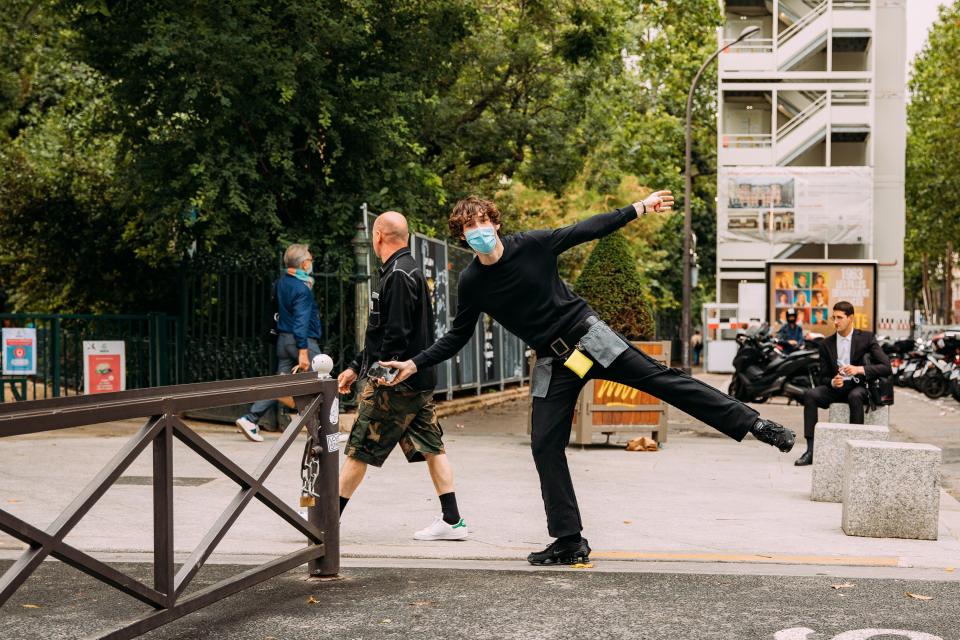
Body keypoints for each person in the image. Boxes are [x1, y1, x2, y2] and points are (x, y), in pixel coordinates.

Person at [379, 193, 795, 566]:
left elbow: (585, 229)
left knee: (662, 380)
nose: (478, 231)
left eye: (482, 221)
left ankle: (755, 423)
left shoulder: (534, 245)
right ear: (462, 234)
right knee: (544, 444)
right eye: (468, 227)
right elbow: (457, 335)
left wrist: (638, 208)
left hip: (589, 338)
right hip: (554, 362)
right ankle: (569, 540)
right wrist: (415, 363)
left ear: (495, 222)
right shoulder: (473, 282)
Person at [336, 211, 467, 541]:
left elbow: (393, 334)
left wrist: (375, 376)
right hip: (418, 381)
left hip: (394, 383)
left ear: (378, 235)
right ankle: (452, 520)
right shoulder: (410, 271)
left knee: (359, 447)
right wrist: (355, 367)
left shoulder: (396, 274)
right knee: (432, 447)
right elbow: (382, 332)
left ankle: (324, 518)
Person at [236, 244, 321, 442]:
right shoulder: (302, 288)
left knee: (280, 384)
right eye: (309, 259)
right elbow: (301, 321)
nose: (311, 262)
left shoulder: (281, 282)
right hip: (301, 341)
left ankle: (250, 419)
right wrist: (303, 350)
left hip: (283, 339)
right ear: (303, 263)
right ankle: (326, 429)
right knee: (324, 380)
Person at [795, 301, 891, 466]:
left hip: (859, 386)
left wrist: (859, 369)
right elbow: (822, 378)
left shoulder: (866, 338)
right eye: (834, 318)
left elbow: (885, 366)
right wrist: (833, 381)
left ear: (851, 318)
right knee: (810, 395)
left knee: (855, 396)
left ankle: (855, 450)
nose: (836, 322)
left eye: (840, 317)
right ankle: (811, 450)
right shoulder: (826, 344)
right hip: (837, 387)